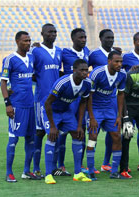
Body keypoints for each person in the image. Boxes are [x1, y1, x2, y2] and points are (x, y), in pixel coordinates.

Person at [41, 59, 93, 184]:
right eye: (82, 70)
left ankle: (77, 173)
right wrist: (53, 126)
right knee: (52, 137)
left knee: (78, 135)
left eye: (86, 70)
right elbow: (47, 103)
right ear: (74, 70)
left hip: (67, 112)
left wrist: (79, 125)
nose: (85, 73)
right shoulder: (62, 83)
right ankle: (48, 175)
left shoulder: (87, 84)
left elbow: (83, 103)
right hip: (52, 111)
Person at [0, 31, 40, 182]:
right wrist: (7, 104)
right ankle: (9, 173)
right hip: (16, 105)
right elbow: (3, 82)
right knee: (13, 139)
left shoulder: (31, 57)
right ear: (17, 42)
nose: (28, 43)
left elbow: (33, 75)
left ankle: (26, 171)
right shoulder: (10, 59)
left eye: (29, 40)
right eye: (25, 41)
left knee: (31, 139)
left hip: (30, 104)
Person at [86, 51, 127, 180]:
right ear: (109, 61)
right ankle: (91, 171)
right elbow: (89, 95)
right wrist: (92, 117)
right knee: (93, 136)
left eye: (121, 61)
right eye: (116, 61)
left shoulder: (122, 75)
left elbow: (121, 94)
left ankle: (114, 172)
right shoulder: (97, 73)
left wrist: (119, 115)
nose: (119, 64)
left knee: (116, 136)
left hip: (110, 109)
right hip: (96, 109)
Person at [31, 23, 64, 178]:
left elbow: (60, 71)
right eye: (50, 32)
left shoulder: (59, 51)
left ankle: (54, 167)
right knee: (39, 132)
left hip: (56, 99)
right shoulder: (36, 51)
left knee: (55, 132)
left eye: (55, 32)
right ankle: (36, 167)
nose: (53, 34)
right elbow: (30, 72)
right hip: (41, 99)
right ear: (42, 33)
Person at [88, 29, 121, 173]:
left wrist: (120, 114)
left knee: (114, 134)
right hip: (96, 102)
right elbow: (84, 68)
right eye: (108, 37)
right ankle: (90, 167)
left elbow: (121, 88)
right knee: (92, 135)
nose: (110, 40)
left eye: (112, 37)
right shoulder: (94, 55)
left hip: (110, 102)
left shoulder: (117, 54)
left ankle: (108, 164)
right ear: (101, 38)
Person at [61, 28, 90, 174]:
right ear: (73, 39)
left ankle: (80, 163)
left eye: (85, 37)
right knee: (63, 132)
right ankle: (60, 164)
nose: (83, 39)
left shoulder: (88, 52)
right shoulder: (64, 52)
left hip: (81, 97)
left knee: (81, 130)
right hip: (67, 97)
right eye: (80, 37)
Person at [121, 32, 139, 172]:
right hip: (129, 101)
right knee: (127, 132)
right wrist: (129, 73)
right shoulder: (126, 57)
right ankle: (116, 163)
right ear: (134, 42)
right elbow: (119, 76)